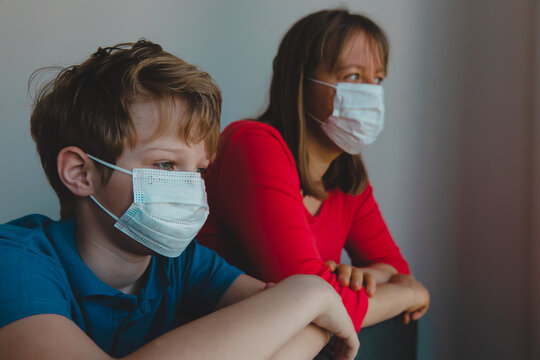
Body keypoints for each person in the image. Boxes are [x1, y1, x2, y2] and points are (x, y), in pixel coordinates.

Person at [0, 40, 362, 360]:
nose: (190, 187)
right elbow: (301, 311)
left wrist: (307, 302)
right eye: (166, 164)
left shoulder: (183, 264)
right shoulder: (15, 260)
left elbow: (307, 323)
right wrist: (309, 291)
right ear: (81, 173)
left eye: (200, 170)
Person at [197, 8, 430, 354]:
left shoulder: (347, 176)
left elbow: (394, 269)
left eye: (377, 79)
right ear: (300, 80)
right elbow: (314, 300)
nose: (370, 94)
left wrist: (363, 277)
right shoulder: (254, 144)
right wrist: (411, 293)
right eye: (352, 77)